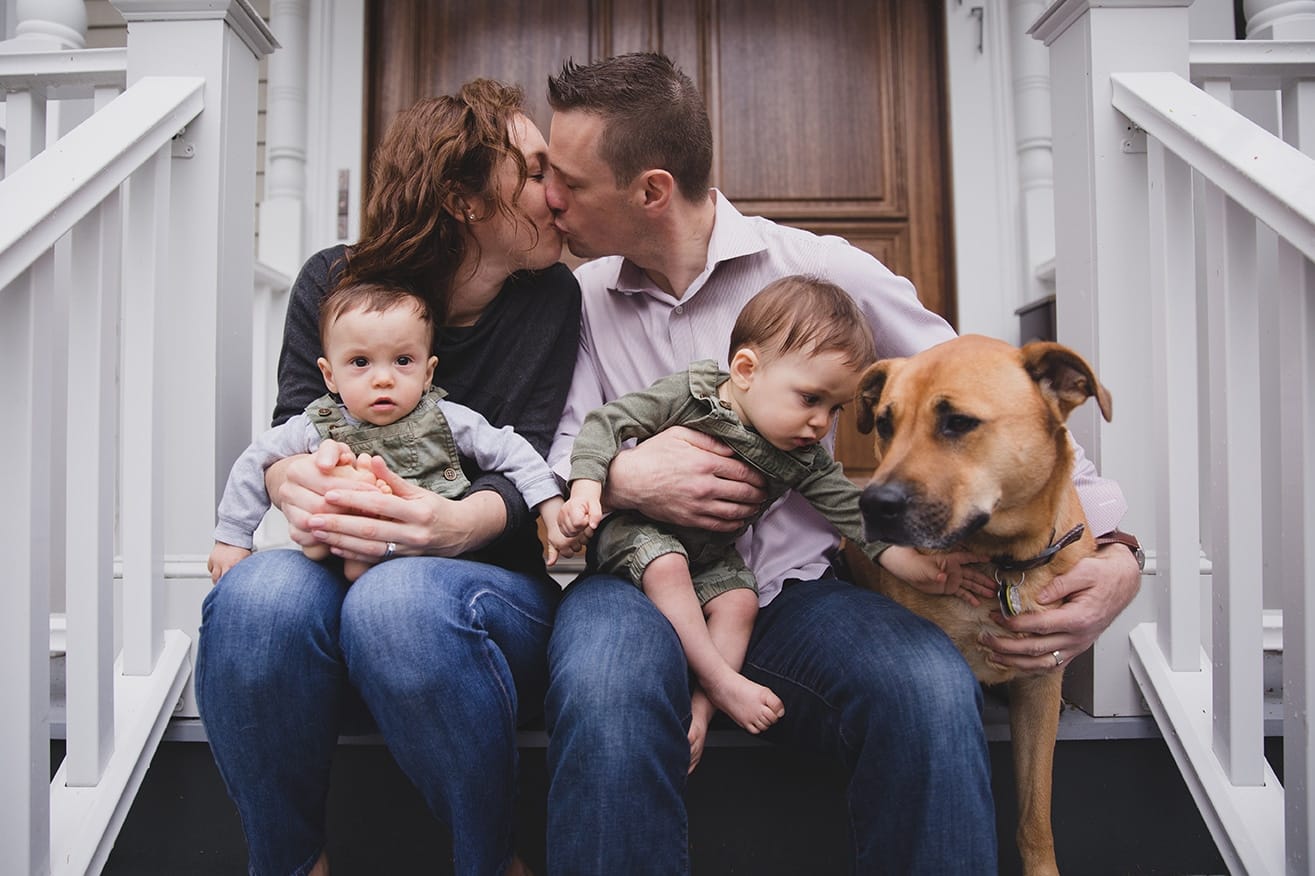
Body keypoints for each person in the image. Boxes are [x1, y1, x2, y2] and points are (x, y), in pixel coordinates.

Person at [541, 52, 1142, 873]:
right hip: (638, 584)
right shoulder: (578, 300)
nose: (548, 198)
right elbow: (557, 449)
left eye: (569, 182)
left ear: (649, 189)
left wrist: (1116, 552)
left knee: (927, 688)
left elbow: (991, 399)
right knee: (604, 694)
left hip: (795, 594)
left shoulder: (824, 271)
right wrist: (623, 478)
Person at [195, 79, 579, 876]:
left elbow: (525, 463)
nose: (558, 192)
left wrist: (452, 526)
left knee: (397, 600)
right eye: (536, 170)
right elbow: (290, 435)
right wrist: (289, 480)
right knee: (255, 601)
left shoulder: (548, 298)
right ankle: (293, 862)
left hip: (484, 581)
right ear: (465, 198)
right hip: (342, 550)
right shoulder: (332, 283)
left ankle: (488, 859)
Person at [553, 275, 992, 772]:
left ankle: (702, 706)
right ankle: (720, 680)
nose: (821, 425)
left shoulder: (804, 459)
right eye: (810, 399)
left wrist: (918, 570)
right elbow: (607, 423)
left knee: (741, 600)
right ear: (745, 370)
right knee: (667, 561)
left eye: (836, 409)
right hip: (635, 538)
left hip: (712, 558)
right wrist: (588, 487)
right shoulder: (691, 394)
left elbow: (851, 511)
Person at [209, 281, 568, 585]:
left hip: (426, 553)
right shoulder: (315, 424)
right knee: (318, 529)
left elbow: (511, 449)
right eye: (360, 362)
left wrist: (549, 504)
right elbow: (255, 460)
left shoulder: (446, 418)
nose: (384, 378)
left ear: (428, 374)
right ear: (330, 375)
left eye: (402, 361)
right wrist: (232, 537)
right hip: (341, 534)